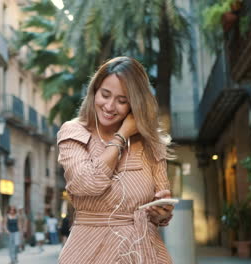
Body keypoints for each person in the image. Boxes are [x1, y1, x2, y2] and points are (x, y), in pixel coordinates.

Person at [57, 56, 175, 264]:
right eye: (105, 95)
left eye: (122, 100)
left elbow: (161, 214)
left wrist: (161, 213)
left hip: (144, 252)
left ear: (135, 104)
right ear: (94, 91)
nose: (110, 106)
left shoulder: (151, 143)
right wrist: (122, 135)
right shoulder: (74, 131)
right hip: (89, 252)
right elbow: (88, 183)